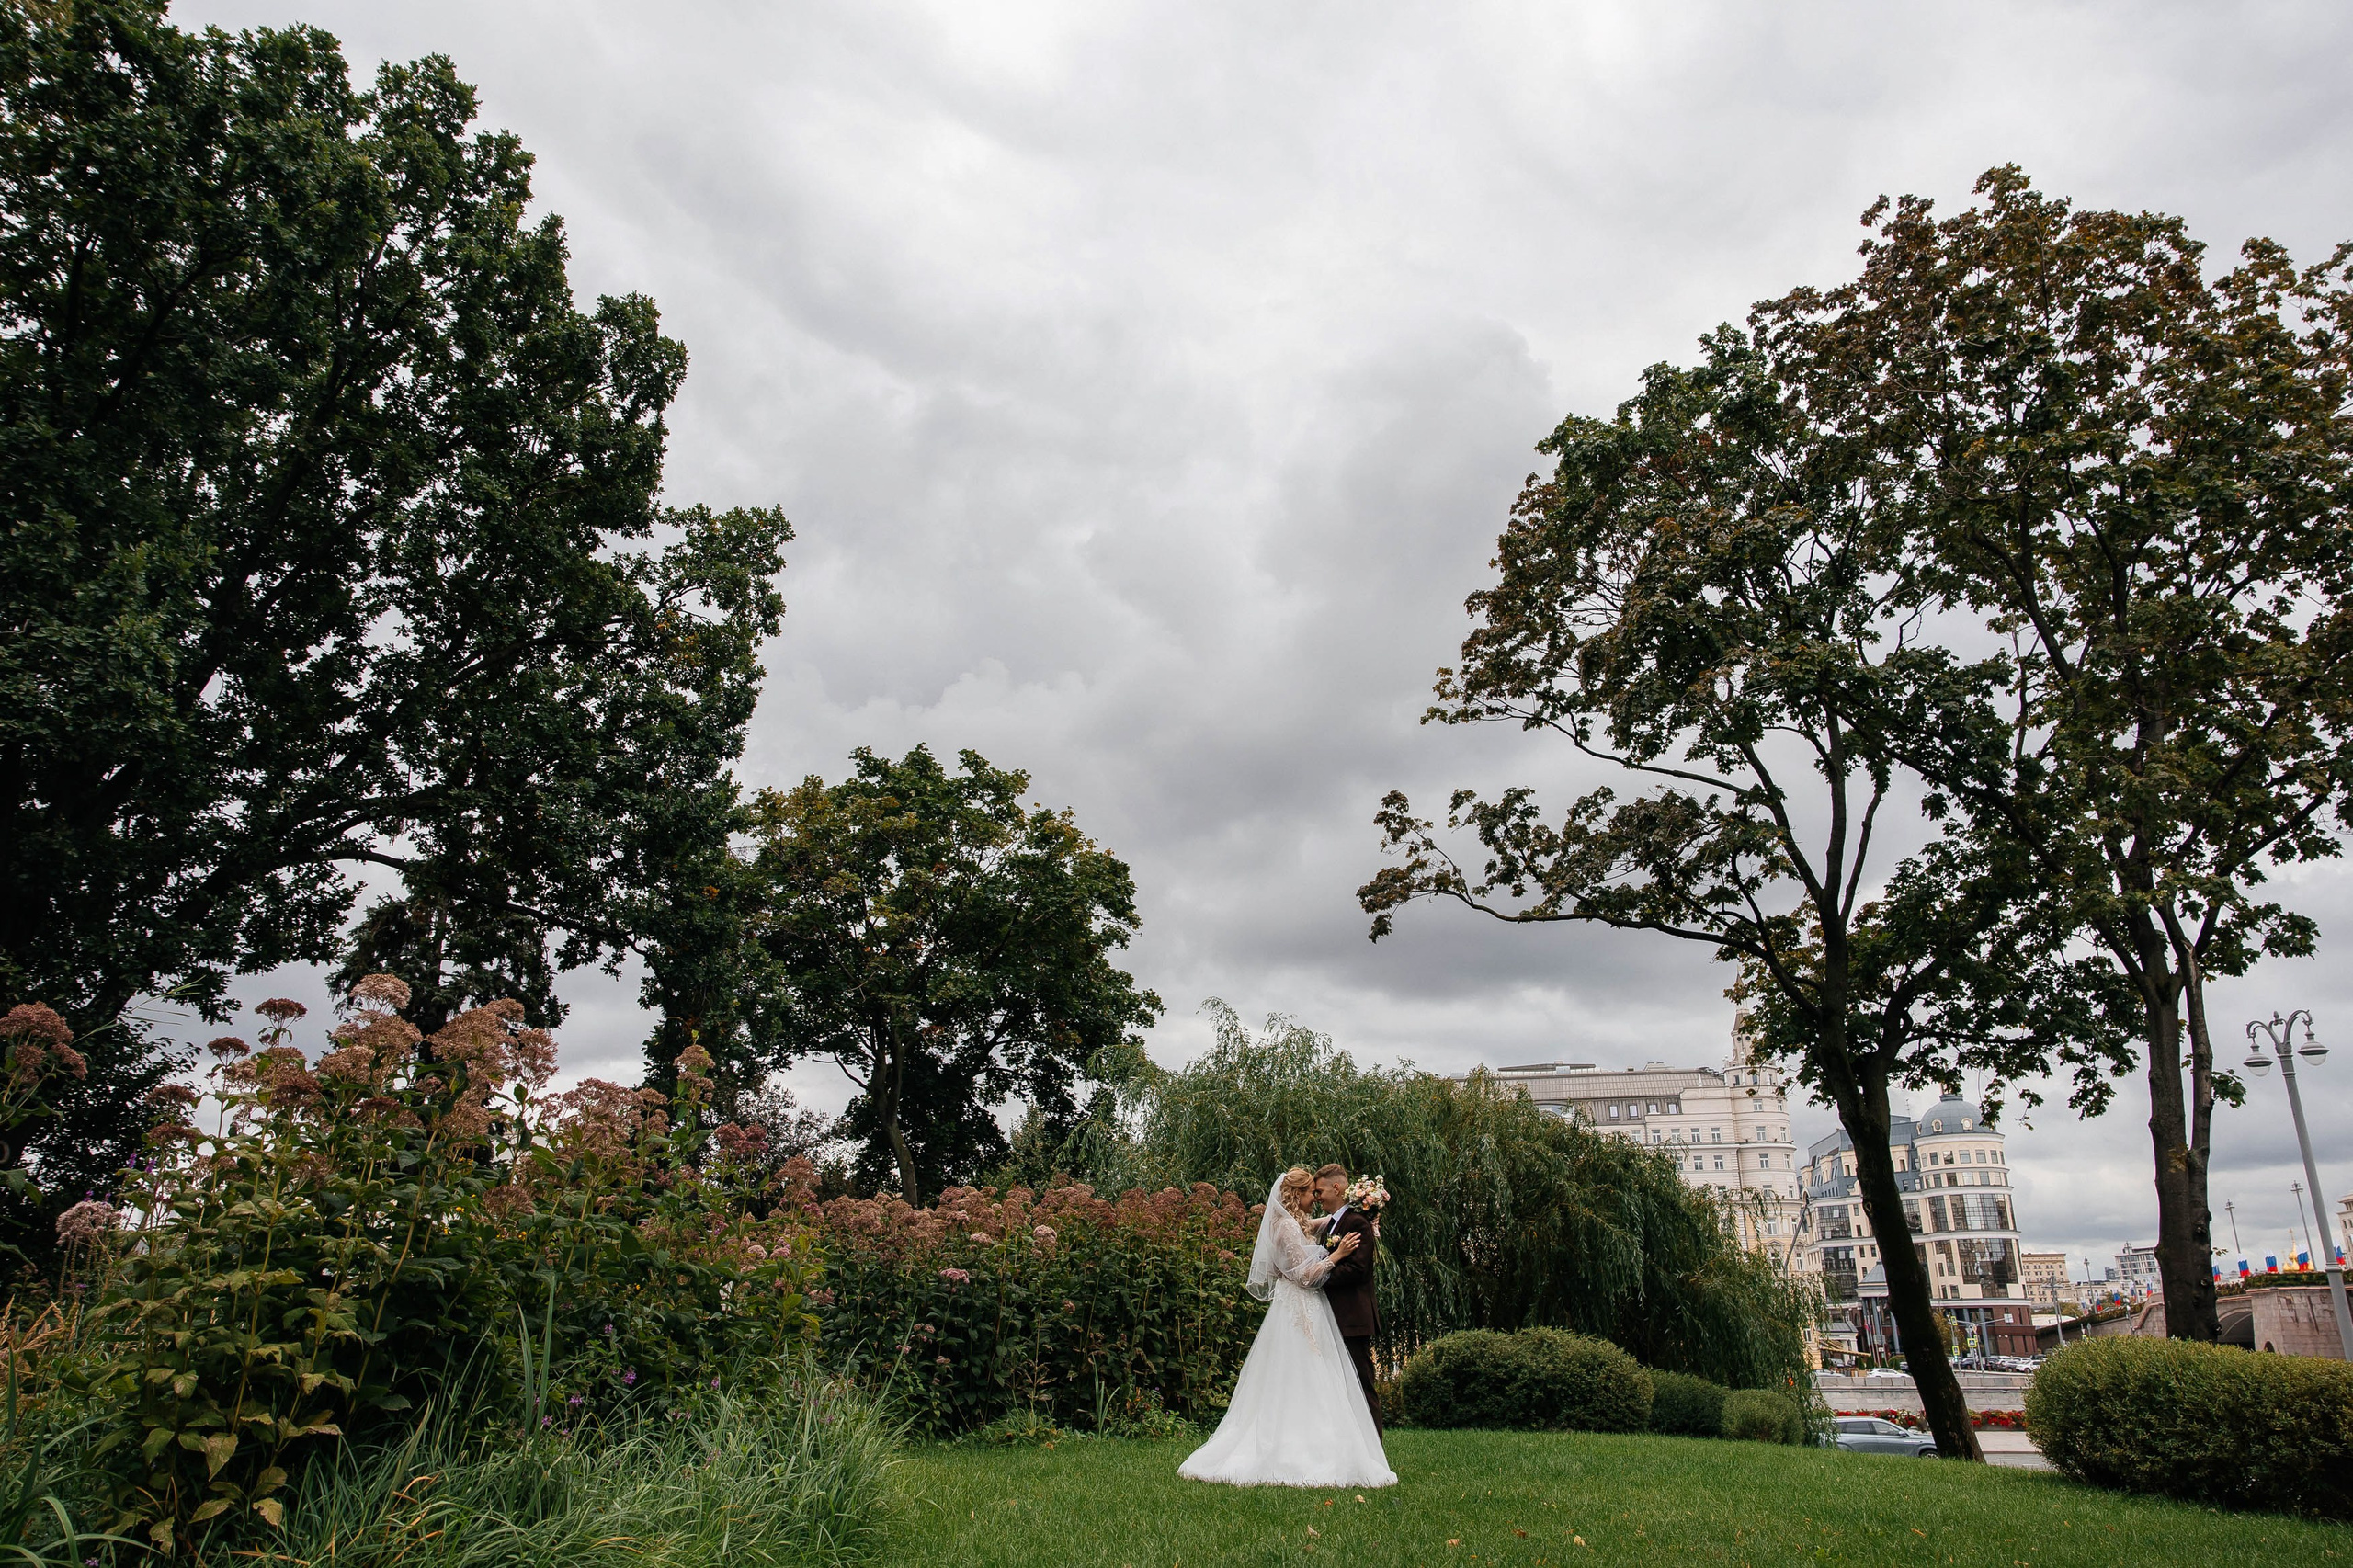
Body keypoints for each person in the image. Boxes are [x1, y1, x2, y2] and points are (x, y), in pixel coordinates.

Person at [1176, 1167, 1397, 1488]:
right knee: (1301, 1379)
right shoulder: (1285, 1229)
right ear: (1297, 1195)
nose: (1315, 1198)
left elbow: (1325, 1223)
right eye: (1311, 1193)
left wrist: (1365, 1209)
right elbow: (1306, 1277)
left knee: (1318, 1379)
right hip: (1299, 1308)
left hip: (1307, 1309)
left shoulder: (1295, 1224)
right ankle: (1300, 1452)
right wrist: (1336, 1254)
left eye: (1319, 1192)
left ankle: (1342, 1447)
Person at [1311, 1163, 1383, 1433]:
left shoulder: (1356, 1222)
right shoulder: (1333, 1224)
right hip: (1337, 1318)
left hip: (1353, 1318)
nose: (1317, 1197)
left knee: (1362, 1385)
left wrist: (1319, 1277)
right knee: (1341, 1386)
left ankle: (1375, 1449)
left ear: (1337, 1188)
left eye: (1319, 1192)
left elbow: (1357, 1269)